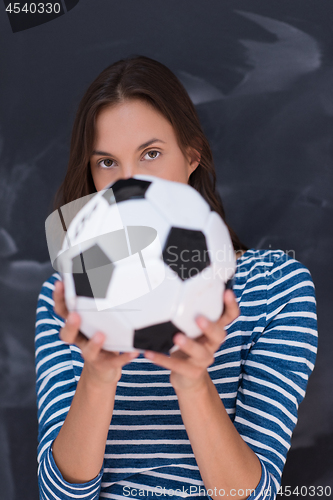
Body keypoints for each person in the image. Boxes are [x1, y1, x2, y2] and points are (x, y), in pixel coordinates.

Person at [35, 55, 318, 500]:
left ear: (191, 155)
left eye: (151, 154)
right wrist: (97, 376)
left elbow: (253, 495)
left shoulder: (274, 288)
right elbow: (59, 495)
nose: (129, 182)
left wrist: (192, 382)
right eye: (106, 162)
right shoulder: (72, 293)